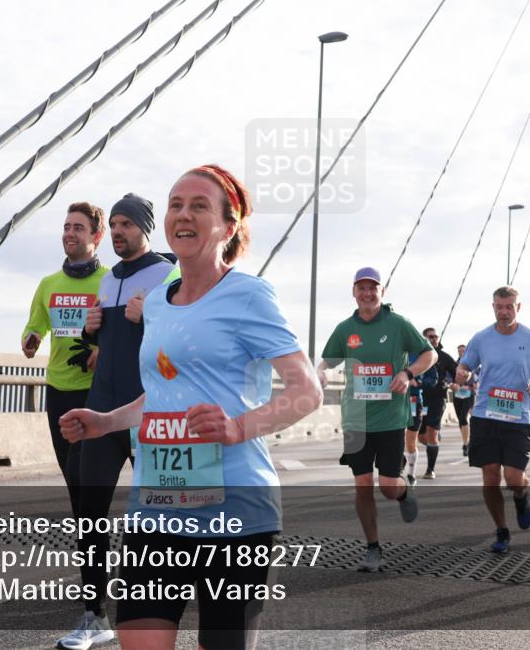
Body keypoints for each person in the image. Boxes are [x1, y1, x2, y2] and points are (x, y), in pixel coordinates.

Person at [60, 165, 322, 650]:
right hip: (157, 507)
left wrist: (237, 427)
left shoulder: (249, 295)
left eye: (199, 205)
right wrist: (106, 421)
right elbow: (160, 394)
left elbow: (306, 390)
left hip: (236, 512)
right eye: (176, 204)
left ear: (229, 224)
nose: (184, 214)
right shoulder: (158, 302)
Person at [55, 194, 179, 650]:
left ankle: (157, 612)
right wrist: (92, 329)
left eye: (128, 223)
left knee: (159, 519)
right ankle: (94, 615)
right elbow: (105, 349)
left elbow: (185, 338)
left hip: (150, 411)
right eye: (117, 224)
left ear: (145, 228)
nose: (120, 231)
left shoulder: (168, 273)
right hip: (104, 410)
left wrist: (153, 317)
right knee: (89, 513)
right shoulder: (107, 280)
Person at [319, 267, 437, 572]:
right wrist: (319, 373)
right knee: (362, 485)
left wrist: (407, 372)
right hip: (356, 420)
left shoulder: (398, 324)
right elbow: (328, 361)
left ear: (382, 291)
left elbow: (429, 355)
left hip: (390, 420)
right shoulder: (345, 329)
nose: (367, 293)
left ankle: (402, 491)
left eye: (373, 288)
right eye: (361, 288)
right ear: (354, 291)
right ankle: (373, 548)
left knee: (386, 486)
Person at [22, 202, 107, 519]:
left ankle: (96, 549)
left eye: (78, 228)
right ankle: (91, 553)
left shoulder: (109, 281)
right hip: (57, 389)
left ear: (96, 237)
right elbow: (34, 328)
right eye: (67, 227)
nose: (70, 233)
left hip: (95, 391)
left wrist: (104, 351)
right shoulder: (48, 285)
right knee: (74, 484)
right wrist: (30, 341)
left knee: (86, 478)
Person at [456, 286, 530, 554]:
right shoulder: (481, 338)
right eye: (499, 307)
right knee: (490, 477)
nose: (503, 311)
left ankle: (521, 496)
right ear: (493, 307)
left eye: (509, 306)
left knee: (513, 478)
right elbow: (465, 365)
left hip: (518, 417)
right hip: (484, 415)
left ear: (518, 308)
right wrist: (462, 372)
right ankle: (501, 530)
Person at [417, 328, 459, 479]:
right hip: (421, 400)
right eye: (430, 337)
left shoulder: (444, 357)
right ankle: (434, 441)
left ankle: (430, 469)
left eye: (435, 337)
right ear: (424, 339)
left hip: (438, 399)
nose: (434, 339)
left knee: (431, 432)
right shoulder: (418, 356)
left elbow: (457, 374)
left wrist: (455, 384)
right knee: (421, 437)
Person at [402, 349, 438, 485]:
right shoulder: (391, 352)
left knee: (411, 439)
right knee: (396, 436)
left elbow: (433, 378)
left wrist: (418, 383)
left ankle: (411, 474)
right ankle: (397, 469)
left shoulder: (421, 356)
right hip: (394, 401)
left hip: (414, 401)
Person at [450, 343, 476, 457]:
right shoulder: (454, 364)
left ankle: (466, 444)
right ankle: (467, 440)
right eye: (459, 351)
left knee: (463, 417)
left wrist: (472, 381)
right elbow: (448, 377)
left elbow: (476, 377)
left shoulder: (473, 364)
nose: (461, 352)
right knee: (461, 421)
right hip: (457, 395)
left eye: (463, 351)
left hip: (469, 394)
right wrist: (451, 384)